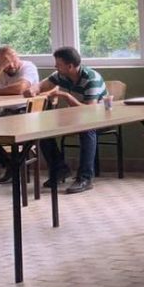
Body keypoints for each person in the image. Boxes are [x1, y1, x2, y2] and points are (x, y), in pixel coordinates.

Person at [26, 47, 106, 195]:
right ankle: (59, 170)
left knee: (87, 129)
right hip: (75, 117)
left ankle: (85, 178)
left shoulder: (91, 78)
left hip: (99, 118)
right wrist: (33, 89)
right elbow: (43, 85)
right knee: (43, 130)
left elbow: (90, 110)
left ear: (70, 66)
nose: (55, 67)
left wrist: (67, 96)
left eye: (58, 64)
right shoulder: (60, 75)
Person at [0, 46, 40, 184]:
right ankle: (11, 165)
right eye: (6, 63)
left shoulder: (28, 66)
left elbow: (20, 88)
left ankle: (12, 167)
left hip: (25, 114)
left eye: (13, 61)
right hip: (4, 115)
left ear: (18, 57)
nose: (11, 66)